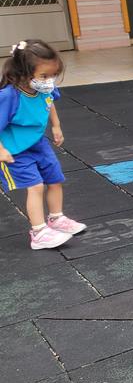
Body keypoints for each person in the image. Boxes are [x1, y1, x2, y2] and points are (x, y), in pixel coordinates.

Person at [0, 40, 86, 250]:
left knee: (55, 179)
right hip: (14, 151)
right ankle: (38, 232)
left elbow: (49, 102)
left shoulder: (43, 88)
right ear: (23, 73)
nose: (50, 81)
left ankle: (56, 218)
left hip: (38, 144)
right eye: (44, 76)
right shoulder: (9, 96)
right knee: (36, 186)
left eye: (53, 75)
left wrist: (56, 126)